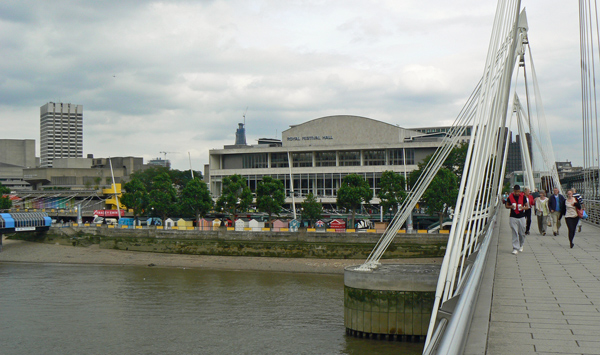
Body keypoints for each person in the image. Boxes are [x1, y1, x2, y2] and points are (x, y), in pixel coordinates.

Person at [505, 184, 530, 255]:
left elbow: (527, 206)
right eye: (516, 192)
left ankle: (521, 244)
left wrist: (522, 208)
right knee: (514, 232)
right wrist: (511, 206)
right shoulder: (510, 197)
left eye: (518, 192)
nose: (517, 193)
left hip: (521, 216)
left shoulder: (523, 197)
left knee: (522, 232)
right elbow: (506, 206)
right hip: (513, 217)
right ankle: (515, 248)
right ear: (514, 191)